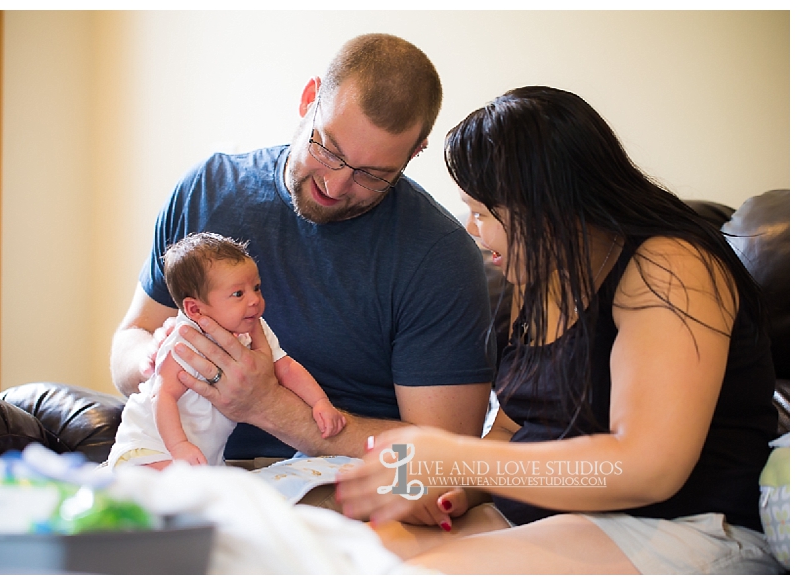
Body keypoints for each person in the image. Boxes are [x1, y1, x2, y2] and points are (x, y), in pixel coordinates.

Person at [335, 86, 782, 574]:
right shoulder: (542, 277)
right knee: (343, 556)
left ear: (543, 209)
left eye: (482, 211)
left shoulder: (670, 265)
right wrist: (455, 488)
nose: (471, 228)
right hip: (557, 517)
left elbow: (649, 467)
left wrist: (455, 458)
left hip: (684, 523)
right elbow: (512, 427)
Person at [109, 33, 495, 464]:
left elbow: (449, 459)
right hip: (183, 468)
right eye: (327, 148)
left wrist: (267, 405)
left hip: (332, 486)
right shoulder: (207, 189)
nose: (335, 184)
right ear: (309, 98)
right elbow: (131, 337)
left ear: (414, 153)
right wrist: (164, 362)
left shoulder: (439, 257)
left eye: (372, 175)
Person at [108, 233, 346, 470]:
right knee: (184, 495)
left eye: (256, 287)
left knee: (217, 496)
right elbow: (162, 396)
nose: (254, 300)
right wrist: (179, 445)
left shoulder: (254, 328)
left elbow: (286, 367)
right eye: (238, 294)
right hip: (151, 446)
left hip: (203, 456)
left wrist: (320, 403)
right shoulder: (185, 341)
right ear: (195, 309)